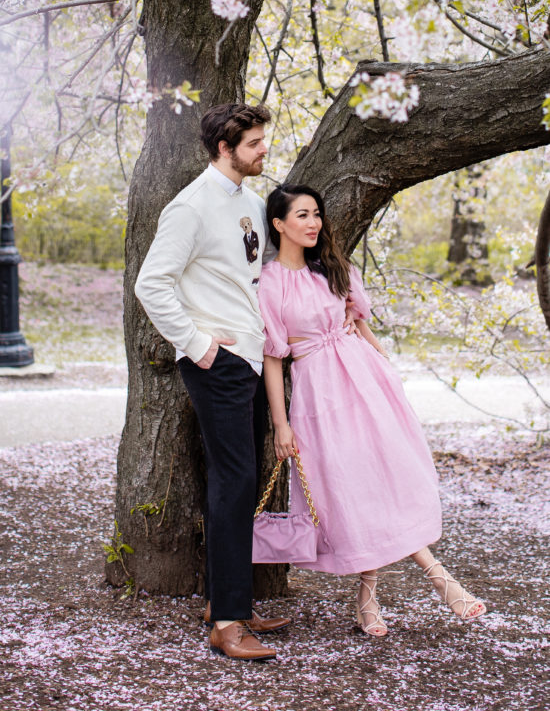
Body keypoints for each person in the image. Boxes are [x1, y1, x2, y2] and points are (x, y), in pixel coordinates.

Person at [258, 183, 487, 637]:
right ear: (279, 224)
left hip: (363, 381)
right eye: (302, 215)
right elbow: (272, 357)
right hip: (318, 392)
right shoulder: (271, 282)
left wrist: (388, 373)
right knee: (353, 486)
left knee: (386, 476)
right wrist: (281, 425)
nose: (313, 222)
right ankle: (437, 581)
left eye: (316, 214)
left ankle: (373, 597)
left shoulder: (333, 270)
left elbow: (360, 327)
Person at [134, 103, 292, 661]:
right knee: (233, 484)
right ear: (225, 148)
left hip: (250, 359)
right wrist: (199, 347)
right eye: (254, 143)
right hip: (218, 364)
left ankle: (231, 601)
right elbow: (151, 286)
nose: (263, 150)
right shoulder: (190, 206)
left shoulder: (249, 202)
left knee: (238, 487)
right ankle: (227, 624)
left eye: (262, 140)